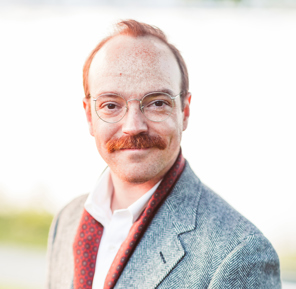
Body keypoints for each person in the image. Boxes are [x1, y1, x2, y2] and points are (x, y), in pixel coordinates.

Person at [46, 20, 281, 289]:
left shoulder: (238, 255)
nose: (133, 125)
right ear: (89, 116)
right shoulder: (66, 221)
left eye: (157, 103)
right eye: (111, 105)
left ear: (184, 111)